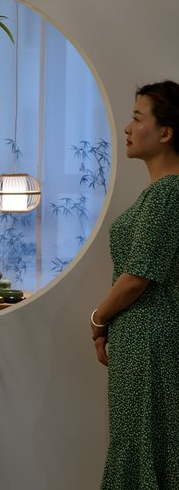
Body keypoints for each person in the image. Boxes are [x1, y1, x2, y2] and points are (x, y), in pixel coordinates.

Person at [91, 80, 179, 489]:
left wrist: (97, 318)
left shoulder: (169, 192)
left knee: (145, 443)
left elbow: (136, 278)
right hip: (140, 341)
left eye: (137, 118)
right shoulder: (158, 192)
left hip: (150, 342)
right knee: (138, 442)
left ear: (166, 133)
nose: (127, 128)